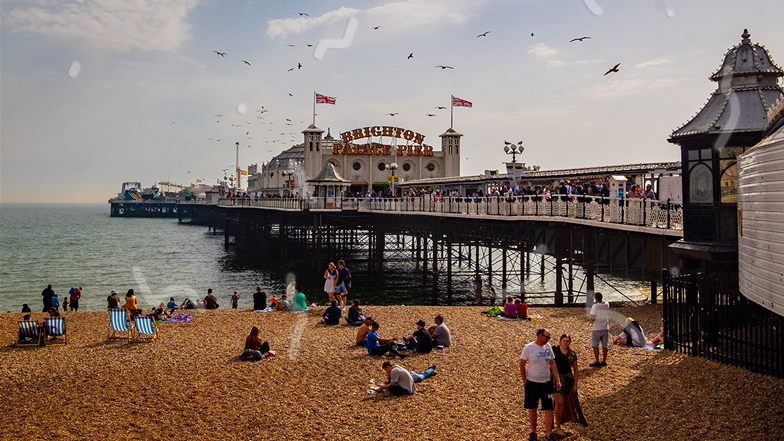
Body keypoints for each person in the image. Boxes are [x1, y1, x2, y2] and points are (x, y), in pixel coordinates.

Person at [520, 328, 561, 441]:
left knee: (549, 408)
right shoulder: (529, 348)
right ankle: (533, 431)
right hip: (532, 383)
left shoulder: (548, 347)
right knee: (532, 408)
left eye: (549, 338)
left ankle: (548, 434)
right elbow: (522, 364)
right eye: (546, 337)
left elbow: (552, 362)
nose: (548, 339)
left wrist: (557, 379)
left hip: (546, 382)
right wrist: (525, 380)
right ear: (539, 335)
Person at [553, 334, 580, 437]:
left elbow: (576, 369)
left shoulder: (571, 353)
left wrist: (575, 384)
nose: (565, 343)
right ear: (560, 341)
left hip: (568, 379)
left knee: (564, 403)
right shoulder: (554, 349)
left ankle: (560, 422)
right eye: (564, 341)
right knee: (559, 402)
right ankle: (558, 426)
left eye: (567, 341)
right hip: (556, 379)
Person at [589, 292, 610, 367]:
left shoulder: (595, 306)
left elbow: (592, 318)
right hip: (605, 327)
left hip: (597, 327)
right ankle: (604, 360)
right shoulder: (607, 304)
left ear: (595, 298)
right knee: (604, 345)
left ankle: (597, 360)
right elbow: (605, 302)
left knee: (595, 345)